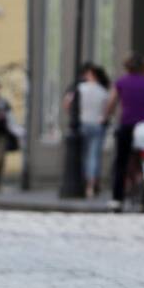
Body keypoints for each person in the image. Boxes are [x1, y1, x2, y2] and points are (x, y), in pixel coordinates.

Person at [103, 54, 144, 212]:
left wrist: (105, 116)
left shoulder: (121, 82)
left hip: (127, 124)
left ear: (126, 67)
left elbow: (112, 102)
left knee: (121, 161)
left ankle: (117, 199)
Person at [64, 63, 110, 198]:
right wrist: (103, 118)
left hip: (83, 123)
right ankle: (92, 185)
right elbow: (106, 109)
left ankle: (84, 183)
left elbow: (67, 102)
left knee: (84, 155)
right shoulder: (102, 90)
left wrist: (73, 114)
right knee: (94, 156)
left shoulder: (80, 88)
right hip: (97, 124)